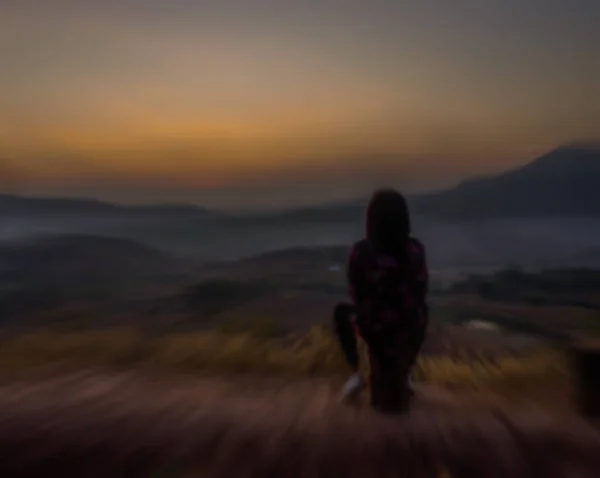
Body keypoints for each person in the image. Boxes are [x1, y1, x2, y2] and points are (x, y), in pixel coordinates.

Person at [333, 188, 429, 413]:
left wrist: (372, 314)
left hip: (372, 329)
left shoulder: (361, 251)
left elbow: (355, 292)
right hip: (406, 326)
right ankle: (405, 373)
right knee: (423, 310)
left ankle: (358, 372)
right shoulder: (416, 250)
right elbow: (420, 291)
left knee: (341, 312)